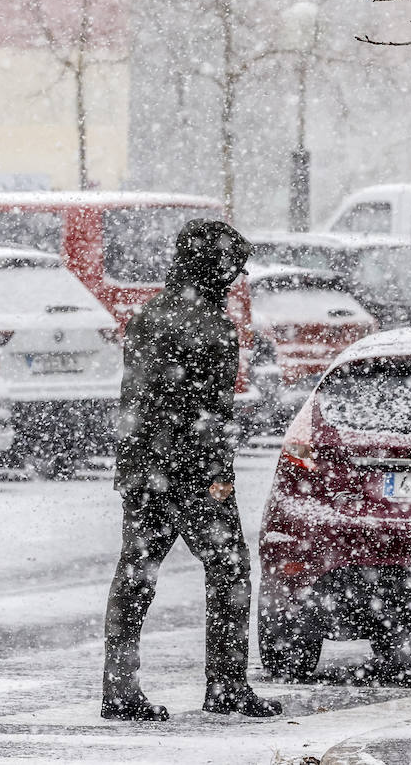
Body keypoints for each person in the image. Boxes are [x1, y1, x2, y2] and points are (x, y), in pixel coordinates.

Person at [101, 219, 283, 722]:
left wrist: (138, 466)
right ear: (213, 265)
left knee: (136, 575)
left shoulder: (150, 314)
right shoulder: (210, 324)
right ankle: (225, 685)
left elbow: (138, 397)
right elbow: (210, 411)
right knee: (230, 571)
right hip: (192, 471)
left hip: (144, 467)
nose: (236, 277)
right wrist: (217, 474)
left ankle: (118, 690)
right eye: (231, 266)